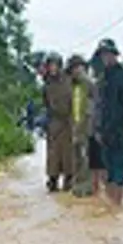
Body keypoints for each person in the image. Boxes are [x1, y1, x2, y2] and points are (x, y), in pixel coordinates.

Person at [95, 40, 123, 207]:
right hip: (105, 129)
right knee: (106, 168)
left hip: (120, 128)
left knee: (119, 168)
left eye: (108, 54)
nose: (105, 57)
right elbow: (99, 105)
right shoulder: (103, 77)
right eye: (103, 54)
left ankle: (117, 204)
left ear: (114, 55)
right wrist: (97, 128)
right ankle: (110, 204)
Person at [41, 55, 74, 192]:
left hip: (68, 121)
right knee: (53, 153)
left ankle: (69, 179)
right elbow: (46, 104)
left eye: (55, 65)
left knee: (68, 153)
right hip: (54, 122)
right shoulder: (47, 84)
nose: (52, 68)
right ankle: (52, 179)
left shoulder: (69, 81)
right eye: (50, 65)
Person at [67, 55, 97, 198]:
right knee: (76, 156)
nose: (77, 71)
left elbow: (96, 107)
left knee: (86, 157)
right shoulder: (71, 87)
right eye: (74, 68)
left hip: (87, 126)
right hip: (74, 125)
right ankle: (77, 185)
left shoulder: (90, 85)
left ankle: (88, 187)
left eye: (79, 67)